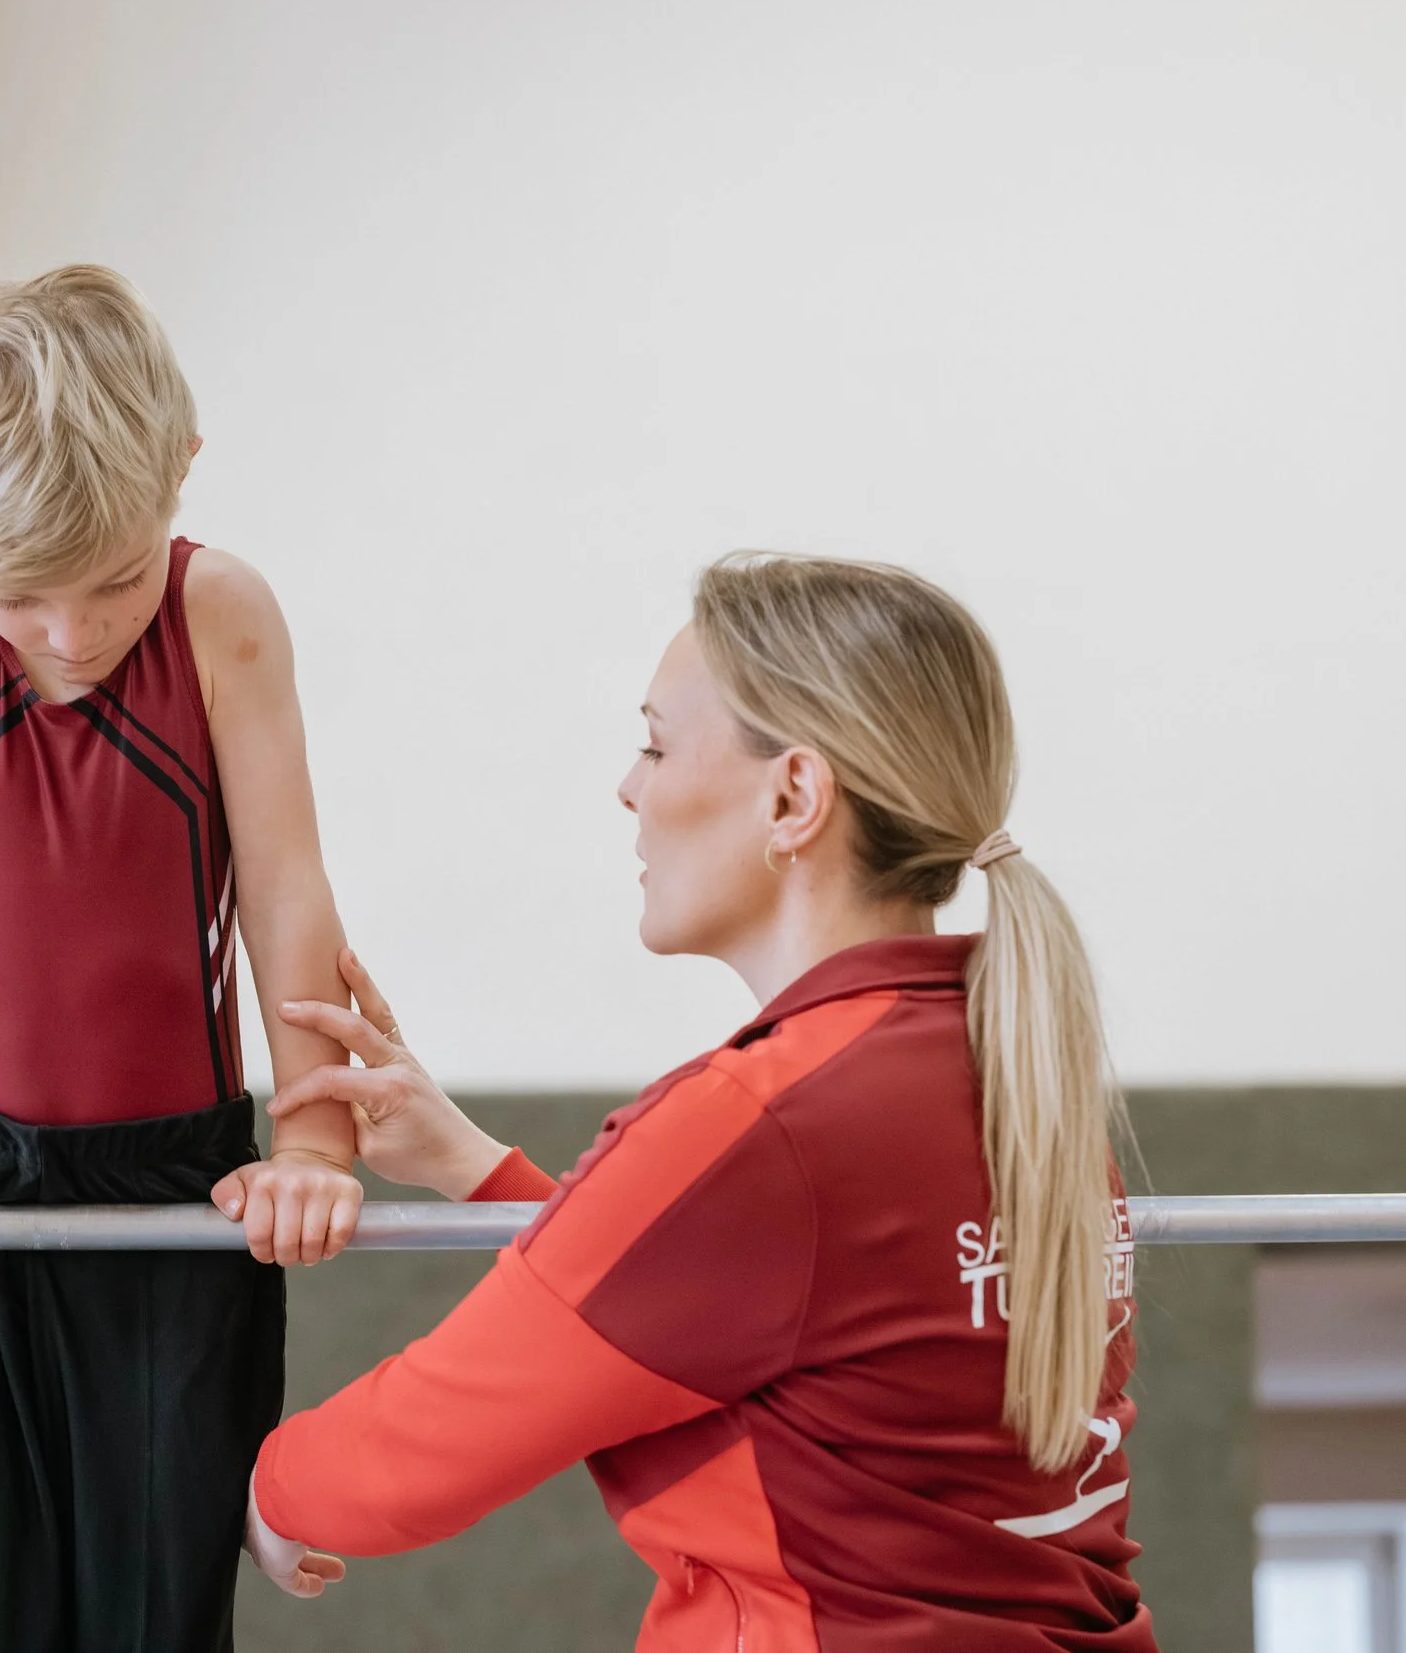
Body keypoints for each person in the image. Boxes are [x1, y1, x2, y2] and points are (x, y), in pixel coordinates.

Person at [245, 553, 1157, 1649]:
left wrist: (252, 1487)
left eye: (655, 743)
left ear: (792, 797)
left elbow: (416, 1447)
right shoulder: (1011, 1075)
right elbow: (768, 1317)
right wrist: (474, 1171)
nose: (628, 787)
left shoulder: (764, 1123)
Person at [0, 264, 363, 1653]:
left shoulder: (221, 610)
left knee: (154, 1616)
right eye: (20, 594)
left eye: (107, 581)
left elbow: (287, 890)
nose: (69, 630)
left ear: (184, 469)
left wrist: (320, 1141)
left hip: (178, 1194)